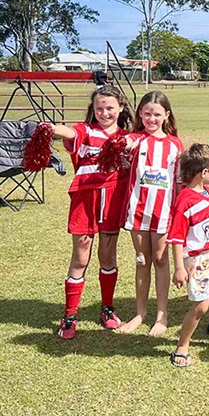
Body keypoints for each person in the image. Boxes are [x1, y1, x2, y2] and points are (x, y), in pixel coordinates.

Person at [48, 85, 134, 339]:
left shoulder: (128, 137)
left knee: (108, 255)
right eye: (99, 108)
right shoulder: (86, 131)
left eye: (109, 108)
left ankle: (107, 308)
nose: (104, 112)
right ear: (92, 109)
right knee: (81, 256)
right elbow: (69, 132)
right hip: (86, 198)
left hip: (113, 199)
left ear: (120, 108)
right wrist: (51, 128)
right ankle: (70, 315)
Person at [117, 91, 184, 336]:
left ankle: (162, 316)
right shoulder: (134, 140)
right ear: (140, 114)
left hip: (164, 212)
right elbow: (118, 149)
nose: (151, 118)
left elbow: (178, 182)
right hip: (137, 211)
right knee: (142, 260)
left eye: (157, 114)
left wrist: (178, 212)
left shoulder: (175, 145)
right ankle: (139, 313)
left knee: (161, 259)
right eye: (146, 113)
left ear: (166, 115)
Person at [168, 144, 209, 367]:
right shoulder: (185, 200)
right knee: (201, 305)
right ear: (204, 173)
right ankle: (183, 345)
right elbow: (176, 238)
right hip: (198, 260)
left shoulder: (208, 192)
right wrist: (179, 267)